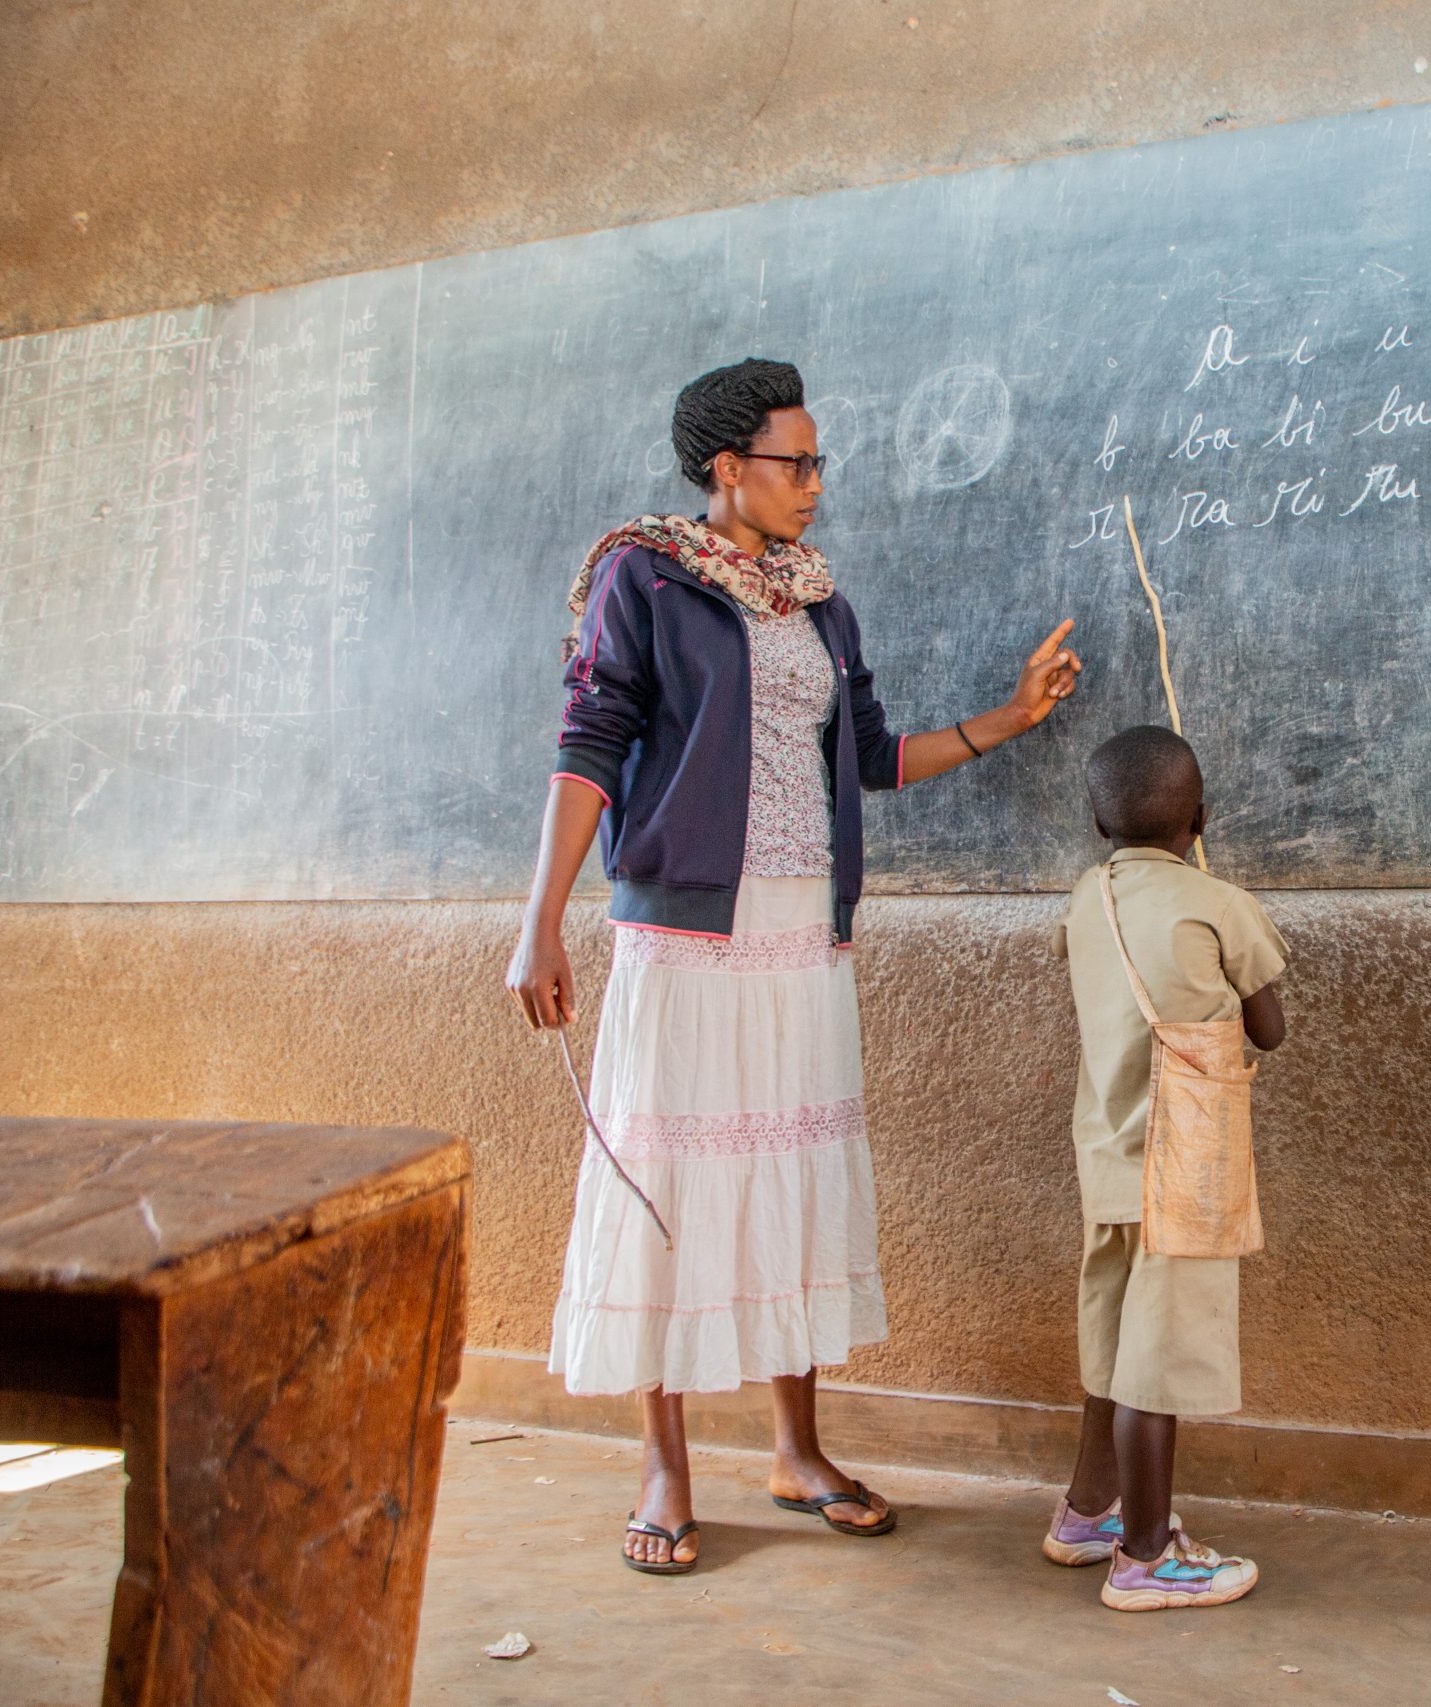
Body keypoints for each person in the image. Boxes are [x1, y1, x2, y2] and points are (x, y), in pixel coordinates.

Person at [504, 358, 1082, 1574]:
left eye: (818, 462)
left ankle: (795, 1451)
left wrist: (1010, 718)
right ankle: (666, 1466)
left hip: (799, 930)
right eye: (796, 461)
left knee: (789, 1175)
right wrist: (541, 919)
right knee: (670, 1177)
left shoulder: (820, 599)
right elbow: (591, 741)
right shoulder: (643, 577)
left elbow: (870, 758)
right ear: (730, 469)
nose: (815, 483)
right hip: (683, 929)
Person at [1046, 725, 1288, 1611]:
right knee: (1158, 1359)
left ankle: (1087, 1512)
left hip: (1106, 1156)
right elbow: (1270, 1029)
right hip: (1183, 1169)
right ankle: (1146, 1558)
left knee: (1112, 1344)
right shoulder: (1219, 903)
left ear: (1096, 820)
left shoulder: (1085, 896)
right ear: (1202, 819)